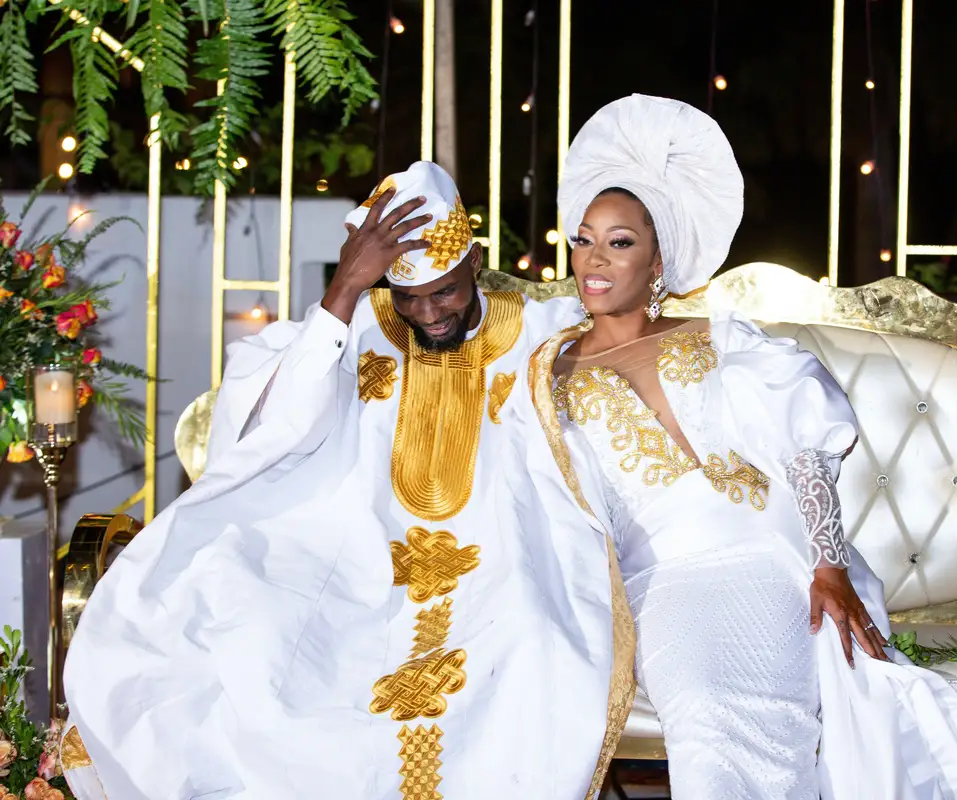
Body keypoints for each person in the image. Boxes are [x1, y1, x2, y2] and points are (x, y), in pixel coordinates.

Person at [60, 162, 624, 799]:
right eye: (407, 296)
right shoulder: (352, 325)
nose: (427, 312)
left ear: (473, 261)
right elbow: (265, 430)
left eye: (444, 292)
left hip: (496, 562)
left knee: (528, 649)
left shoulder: (542, 327)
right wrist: (345, 291)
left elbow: (634, 355)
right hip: (348, 557)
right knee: (242, 639)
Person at [503, 95, 957, 798]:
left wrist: (828, 565)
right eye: (583, 239)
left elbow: (806, 446)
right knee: (708, 714)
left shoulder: (722, 339)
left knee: (783, 704)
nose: (594, 260)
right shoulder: (545, 370)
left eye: (620, 243)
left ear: (659, 260)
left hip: (778, 558)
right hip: (665, 580)